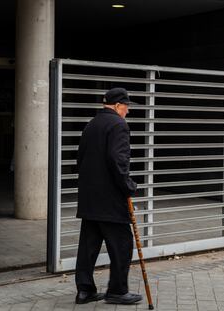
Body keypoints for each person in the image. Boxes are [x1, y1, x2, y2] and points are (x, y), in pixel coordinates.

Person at [75, 87, 141, 305]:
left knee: (88, 247)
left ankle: (85, 291)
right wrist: (128, 186)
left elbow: (80, 159)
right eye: (127, 107)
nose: (128, 112)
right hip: (110, 200)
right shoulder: (118, 125)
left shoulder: (91, 125)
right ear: (118, 105)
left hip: (89, 198)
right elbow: (117, 160)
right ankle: (117, 291)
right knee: (122, 244)